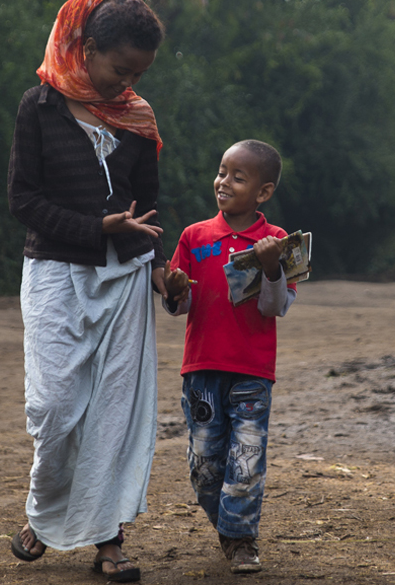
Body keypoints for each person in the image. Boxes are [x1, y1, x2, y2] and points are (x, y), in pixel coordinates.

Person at [6, 0, 168, 583]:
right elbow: (23, 200)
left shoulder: (138, 119)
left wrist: (159, 270)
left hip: (124, 279)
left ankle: (109, 539)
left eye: (138, 74)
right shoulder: (39, 106)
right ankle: (44, 514)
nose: (125, 83)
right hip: (53, 271)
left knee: (111, 413)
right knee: (55, 406)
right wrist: (95, 227)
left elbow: (149, 207)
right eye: (119, 68)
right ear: (88, 46)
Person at [162, 140, 296, 574]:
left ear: (264, 192)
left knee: (247, 458)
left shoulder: (277, 242)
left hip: (252, 371)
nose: (224, 182)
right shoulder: (194, 236)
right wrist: (175, 290)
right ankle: (227, 524)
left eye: (238, 177)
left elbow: (275, 307)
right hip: (201, 370)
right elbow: (178, 305)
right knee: (205, 465)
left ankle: (241, 540)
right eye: (222, 171)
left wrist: (272, 267)